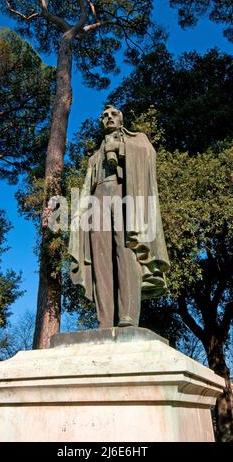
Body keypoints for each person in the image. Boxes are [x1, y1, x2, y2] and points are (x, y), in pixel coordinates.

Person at [68, 105, 169, 328]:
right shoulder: (95, 156)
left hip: (125, 198)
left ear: (121, 120)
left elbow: (148, 154)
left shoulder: (136, 140)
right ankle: (105, 320)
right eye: (104, 116)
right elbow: (86, 186)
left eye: (113, 114)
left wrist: (121, 149)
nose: (108, 118)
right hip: (98, 201)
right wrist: (78, 213)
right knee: (101, 263)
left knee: (126, 253)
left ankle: (128, 315)